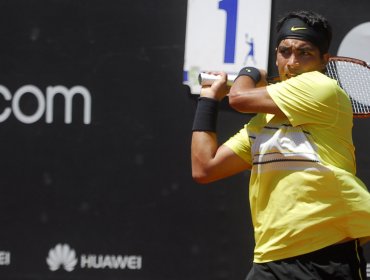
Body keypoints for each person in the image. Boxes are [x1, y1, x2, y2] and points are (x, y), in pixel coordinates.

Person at [191, 10, 370, 279]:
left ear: (324, 61)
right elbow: (205, 167)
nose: (292, 62)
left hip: (323, 257)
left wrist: (249, 72)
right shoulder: (262, 123)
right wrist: (207, 99)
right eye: (285, 52)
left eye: (304, 53)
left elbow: (239, 98)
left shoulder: (322, 88)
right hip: (270, 259)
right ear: (276, 54)